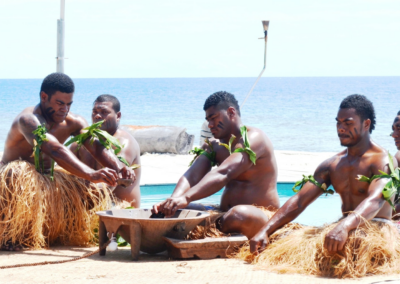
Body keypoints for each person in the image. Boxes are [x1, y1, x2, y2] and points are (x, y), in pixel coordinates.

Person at [237, 94, 399, 278]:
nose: (341, 128)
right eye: (338, 123)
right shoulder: (331, 165)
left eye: (348, 123)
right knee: (287, 245)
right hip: (341, 230)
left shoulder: (382, 160)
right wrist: (265, 231)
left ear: (366, 124)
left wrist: (345, 226)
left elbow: (376, 199)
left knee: (354, 244)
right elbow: (299, 201)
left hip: (373, 232)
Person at [0, 73, 135, 250]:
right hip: (14, 184)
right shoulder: (28, 120)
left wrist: (119, 167)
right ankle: (10, 233)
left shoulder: (74, 122)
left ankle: (58, 231)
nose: (65, 109)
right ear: (44, 97)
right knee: (15, 174)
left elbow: (95, 145)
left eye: (69, 104)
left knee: (94, 191)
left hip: (49, 179)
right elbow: (54, 149)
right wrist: (90, 173)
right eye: (60, 103)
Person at [153, 91, 279, 237]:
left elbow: (224, 173)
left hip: (260, 216)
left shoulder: (253, 139)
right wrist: (172, 202)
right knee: (180, 210)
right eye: (208, 120)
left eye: (213, 118)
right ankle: (217, 227)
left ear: (231, 112)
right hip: (224, 214)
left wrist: (186, 198)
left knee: (239, 215)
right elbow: (192, 176)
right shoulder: (214, 146)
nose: (210, 125)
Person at [70, 94, 141, 208]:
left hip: (120, 211)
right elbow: (65, 169)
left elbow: (111, 184)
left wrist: (72, 191)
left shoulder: (123, 143)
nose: (97, 116)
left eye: (104, 112)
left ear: (118, 116)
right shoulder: (81, 143)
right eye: (95, 112)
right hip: (88, 210)